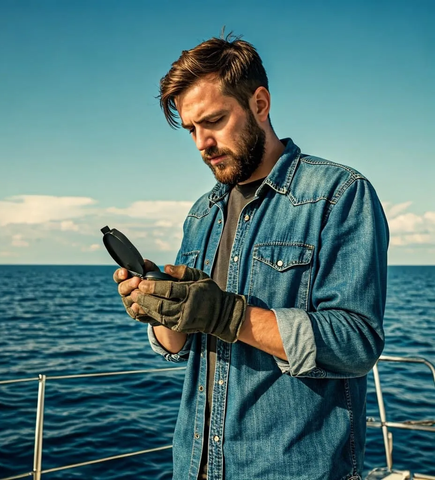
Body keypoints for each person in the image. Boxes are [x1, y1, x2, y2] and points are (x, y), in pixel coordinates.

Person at [114, 34, 389, 480]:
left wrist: (228, 315)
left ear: (259, 103)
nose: (203, 143)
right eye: (192, 130)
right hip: (193, 466)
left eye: (215, 121)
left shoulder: (339, 194)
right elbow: (181, 346)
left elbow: (356, 342)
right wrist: (159, 308)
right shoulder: (202, 213)